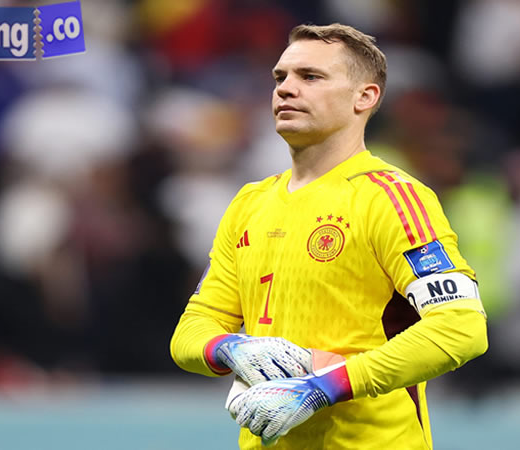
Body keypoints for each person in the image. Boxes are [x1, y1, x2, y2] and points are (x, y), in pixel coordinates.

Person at [170, 23, 488, 449]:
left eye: (311, 77)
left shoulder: (391, 198)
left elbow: (462, 327)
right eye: (280, 77)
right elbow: (191, 331)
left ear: (365, 97)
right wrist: (232, 348)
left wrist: (327, 387)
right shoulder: (250, 203)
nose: (286, 89)